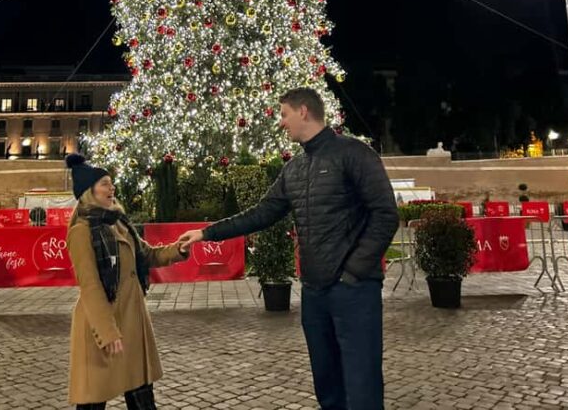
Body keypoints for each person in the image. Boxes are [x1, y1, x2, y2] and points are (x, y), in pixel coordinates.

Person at [179, 87, 399, 410]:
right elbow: (260, 214)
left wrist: (353, 271)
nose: (281, 123)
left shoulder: (354, 154)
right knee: (328, 388)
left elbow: (385, 214)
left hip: (354, 292)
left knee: (362, 386)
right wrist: (206, 232)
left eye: (284, 114)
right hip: (314, 295)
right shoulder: (293, 170)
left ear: (304, 112)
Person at [65, 153, 188, 409]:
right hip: (101, 327)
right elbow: (90, 286)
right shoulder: (81, 232)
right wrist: (107, 332)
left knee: (142, 397)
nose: (112, 188)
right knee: (93, 400)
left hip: (132, 322)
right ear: (89, 192)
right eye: (105, 184)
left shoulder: (119, 223)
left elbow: (147, 254)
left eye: (111, 183)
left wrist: (179, 249)